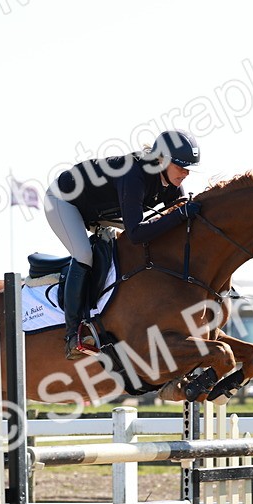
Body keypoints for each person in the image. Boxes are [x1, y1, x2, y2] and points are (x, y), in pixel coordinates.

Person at [44, 130, 203, 360]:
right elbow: (137, 233)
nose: (186, 173)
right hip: (64, 201)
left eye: (189, 168)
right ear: (161, 160)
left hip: (100, 208)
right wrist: (180, 215)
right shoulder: (134, 175)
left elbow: (175, 228)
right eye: (181, 166)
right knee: (84, 255)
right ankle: (73, 335)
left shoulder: (171, 182)